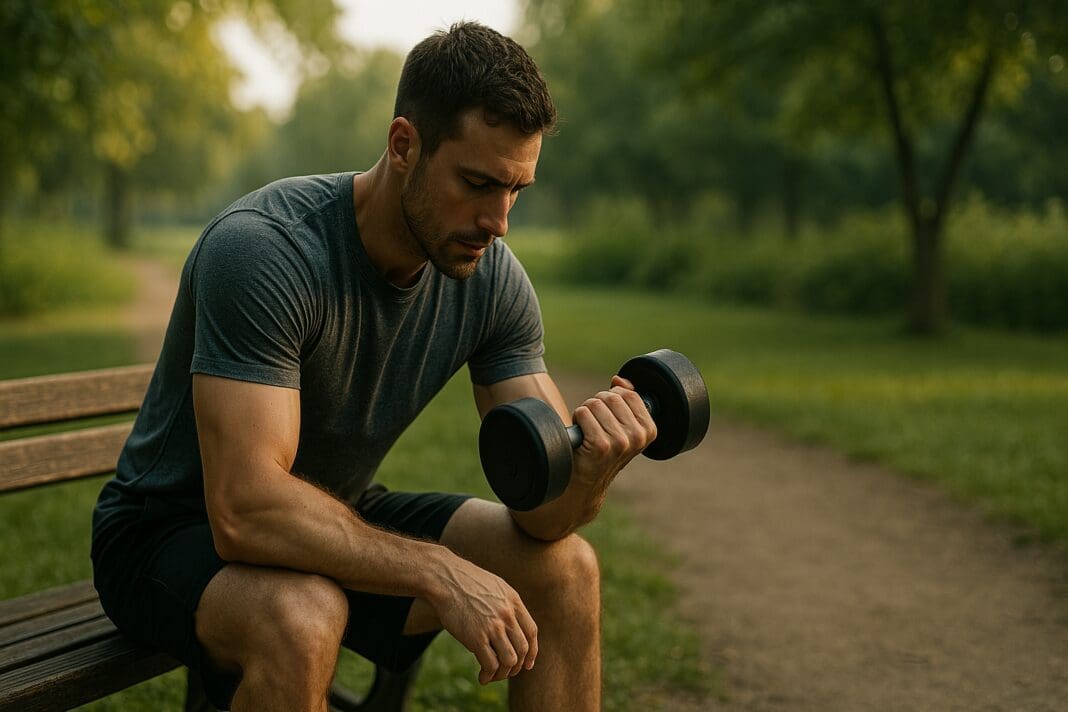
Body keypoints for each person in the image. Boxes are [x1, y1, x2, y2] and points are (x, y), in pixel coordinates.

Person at [91, 21, 656, 712]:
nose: (499, 220)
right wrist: (438, 571)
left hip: (334, 512)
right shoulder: (267, 252)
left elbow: (543, 514)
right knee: (302, 616)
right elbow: (243, 511)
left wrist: (589, 475)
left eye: (516, 190)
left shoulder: (490, 278)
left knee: (565, 570)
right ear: (403, 146)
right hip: (169, 534)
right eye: (477, 183)